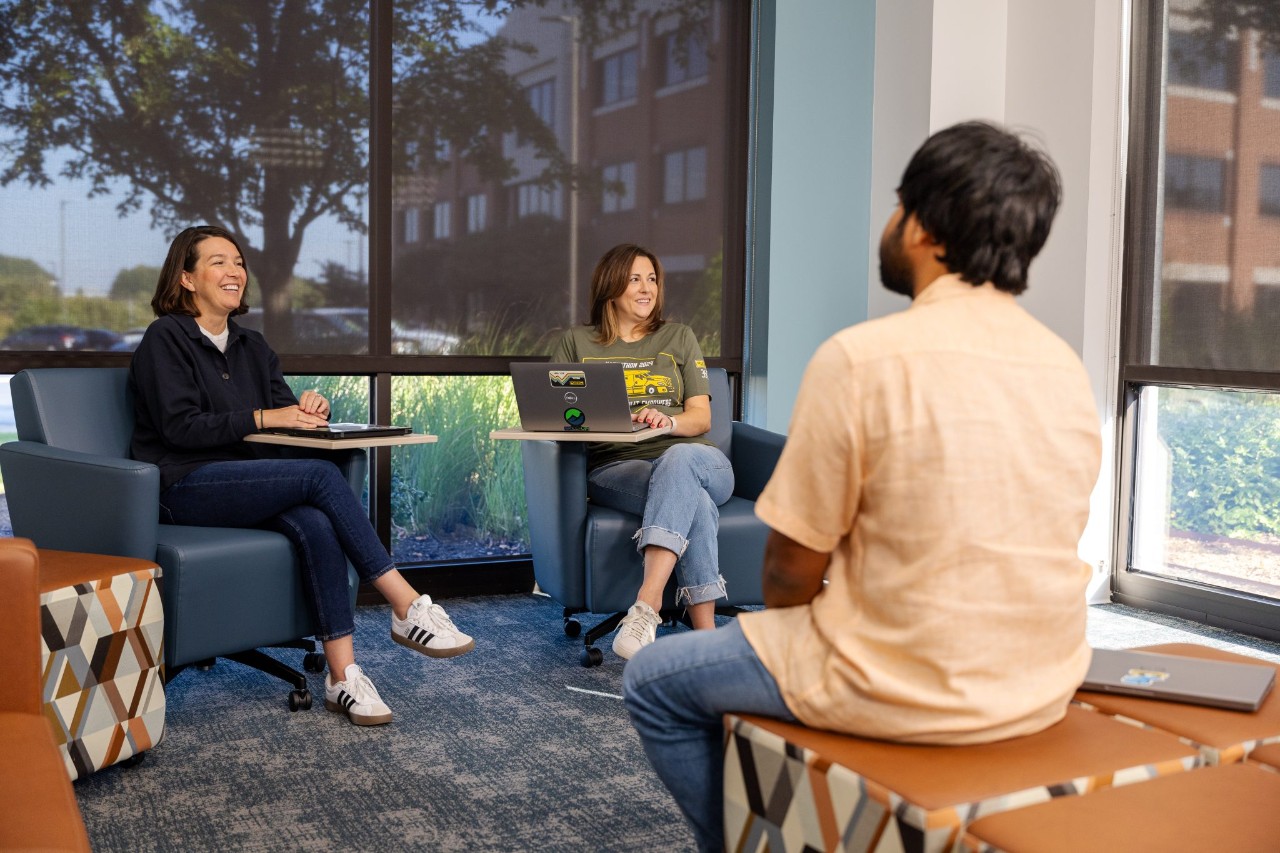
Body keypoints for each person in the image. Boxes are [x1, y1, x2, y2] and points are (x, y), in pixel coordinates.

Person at [622, 121, 1103, 851]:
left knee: (654, 680)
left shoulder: (862, 358)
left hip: (894, 685)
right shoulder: (1066, 367)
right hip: (1042, 678)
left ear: (926, 228)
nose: (887, 222)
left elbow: (787, 575)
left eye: (897, 204)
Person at [129, 225, 475, 727]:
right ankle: (406, 604)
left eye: (239, 262)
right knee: (318, 476)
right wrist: (269, 417)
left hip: (244, 481)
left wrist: (308, 408)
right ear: (186, 278)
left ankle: (342, 676)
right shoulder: (166, 338)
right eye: (219, 262)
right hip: (182, 484)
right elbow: (180, 428)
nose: (235, 272)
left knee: (315, 521)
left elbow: (283, 412)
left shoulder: (252, 345)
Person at [549, 243, 733, 660]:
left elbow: (700, 418)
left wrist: (667, 422)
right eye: (635, 279)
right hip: (617, 465)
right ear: (610, 286)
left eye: (652, 279)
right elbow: (558, 416)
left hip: (698, 457)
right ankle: (707, 645)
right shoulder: (576, 343)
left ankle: (646, 605)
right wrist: (607, 419)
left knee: (680, 461)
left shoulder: (679, 337)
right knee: (695, 503)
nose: (647, 288)